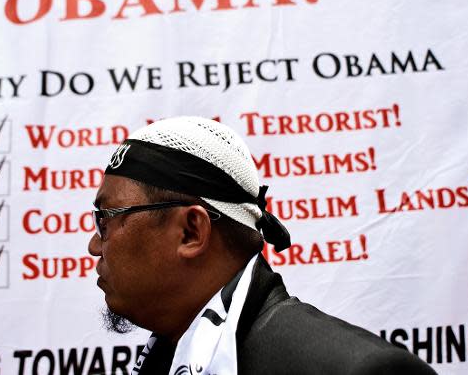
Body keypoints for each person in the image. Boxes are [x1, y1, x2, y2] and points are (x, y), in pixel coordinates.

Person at [88, 116, 435, 374]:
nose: (93, 245)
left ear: (191, 232)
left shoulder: (355, 370)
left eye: (105, 218)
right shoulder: (164, 359)